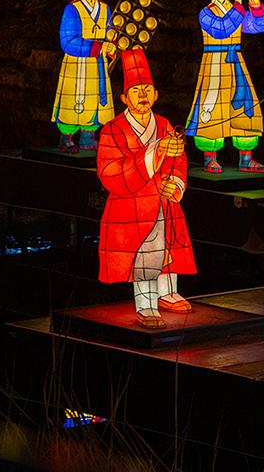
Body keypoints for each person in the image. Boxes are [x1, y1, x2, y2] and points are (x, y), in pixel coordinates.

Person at [97, 49, 196, 328]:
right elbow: (110, 172)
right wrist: (155, 152)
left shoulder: (163, 124)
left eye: (147, 90)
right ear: (124, 98)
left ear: (156, 95)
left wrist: (174, 183)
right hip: (132, 204)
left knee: (169, 246)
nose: (142, 96)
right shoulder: (112, 130)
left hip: (164, 202)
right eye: (136, 91)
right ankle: (146, 304)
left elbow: (178, 161)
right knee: (145, 252)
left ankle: (167, 293)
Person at [184, 0, 264, 173]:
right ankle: (210, 158)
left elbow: (259, 26)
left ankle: (246, 158)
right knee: (211, 108)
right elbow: (222, 28)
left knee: (246, 107)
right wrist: (240, 6)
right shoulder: (206, 13)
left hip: (236, 64)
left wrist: (255, 3)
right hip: (214, 62)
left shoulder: (236, 9)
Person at [51, 0, 117, 152]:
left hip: (97, 66)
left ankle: (89, 137)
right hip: (77, 64)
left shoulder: (105, 9)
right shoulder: (72, 9)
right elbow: (68, 41)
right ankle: (67, 138)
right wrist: (98, 47)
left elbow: (110, 31)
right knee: (74, 101)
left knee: (95, 101)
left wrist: (112, 44)